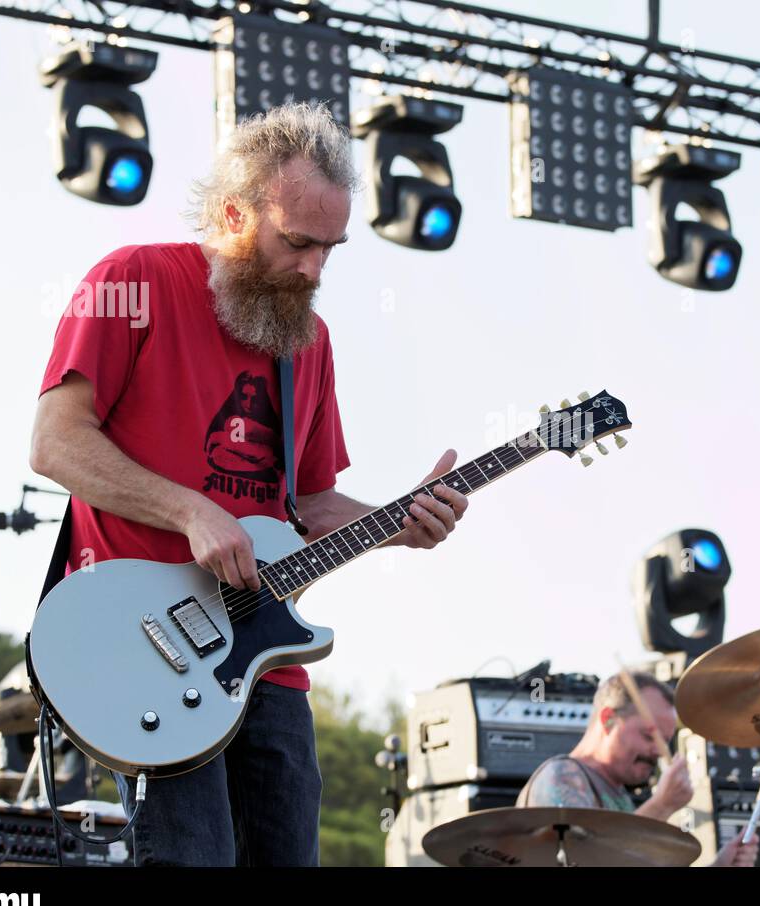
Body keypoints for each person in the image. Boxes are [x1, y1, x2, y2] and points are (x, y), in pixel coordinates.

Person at [29, 102, 469, 866]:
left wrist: (402, 520)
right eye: (296, 243)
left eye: (330, 250)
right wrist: (190, 510)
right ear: (234, 213)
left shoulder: (311, 343)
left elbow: (311, 504)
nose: (313, 270)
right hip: (149, 648)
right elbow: (55, 442)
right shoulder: (132, 280)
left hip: (270, 658)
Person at [516, 672, 759, 866]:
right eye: (648, 736)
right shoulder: (562, 778)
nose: (657, 751)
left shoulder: (620, 796)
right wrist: (661, 805)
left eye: (664, 741)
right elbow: (587, 859)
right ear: (608, 719)